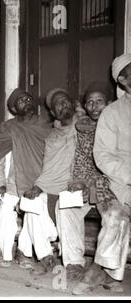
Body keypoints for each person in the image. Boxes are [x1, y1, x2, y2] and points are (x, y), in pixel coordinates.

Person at [73, 55, 131, 294]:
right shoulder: (112, 113)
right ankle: (100, 269)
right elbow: (103, 156)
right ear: (123, 80)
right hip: (122, 183)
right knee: (115, 216)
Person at [54, 82, 119, 288]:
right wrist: (78, 182)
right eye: (90, 102)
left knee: (112, 214)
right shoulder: (84, 127)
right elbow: (82, 159)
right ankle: (74, 262)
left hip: (111, 186)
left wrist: (96, 183)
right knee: (64, 205)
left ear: (109, 103)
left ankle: (109, 268)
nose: (94, 107)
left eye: (99, 101)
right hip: (90, 185)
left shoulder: (118, 125)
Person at [0, 89, 52, 268]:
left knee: (34, 208)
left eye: (28, 98)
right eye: (20, 100)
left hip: (39, 184)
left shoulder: (45, 126)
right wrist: (1, 185)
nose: (26, 101)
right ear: (13, 108)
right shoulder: (7, 129)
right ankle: (6, 254)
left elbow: (53, 159)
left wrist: (41, 185)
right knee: (5, 210)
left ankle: (23, 252)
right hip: (12, 185)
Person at [21, 88, 80, 275]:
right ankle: (47, 257)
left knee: (65, 202)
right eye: (57, 105)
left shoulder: (85, 126)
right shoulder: (52, 136)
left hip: (76, 186)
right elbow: (49, 168)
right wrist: (38, 186)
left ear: (72, 103)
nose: (63, 106)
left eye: (65, 101)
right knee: (31, 204)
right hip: (52, 185)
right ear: (53, 113)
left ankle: (73, 264)